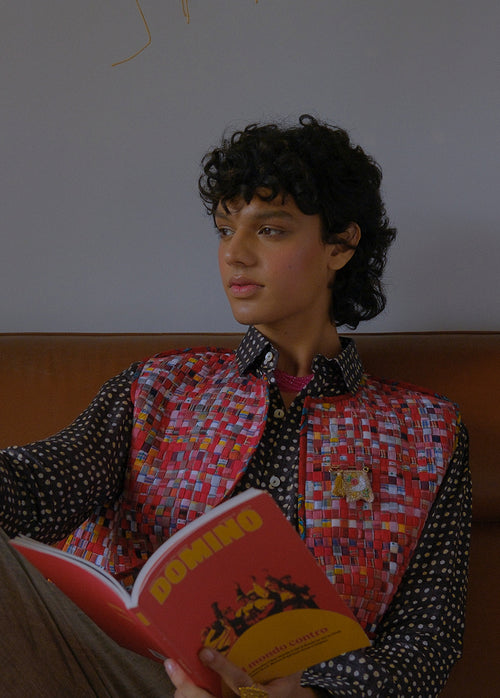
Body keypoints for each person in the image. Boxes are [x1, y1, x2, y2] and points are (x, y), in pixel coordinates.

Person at [0, 115, 471, 698]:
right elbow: (38, 485)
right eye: (226, 229)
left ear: (340, 245)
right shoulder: (160, 388)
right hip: (119, 674)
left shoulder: (427, 431)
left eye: (269, 230)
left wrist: (314, 694)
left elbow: (428, 638)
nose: (235, 254)